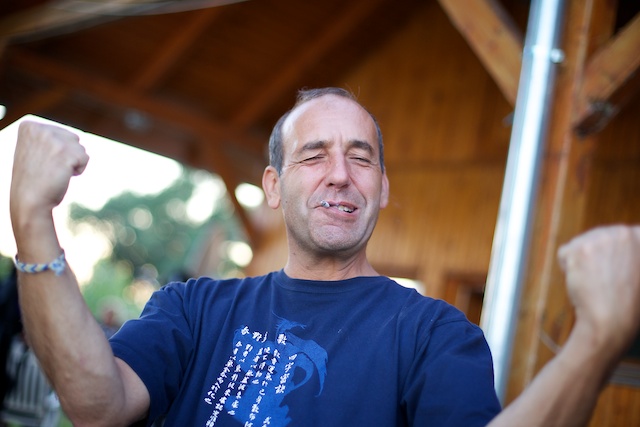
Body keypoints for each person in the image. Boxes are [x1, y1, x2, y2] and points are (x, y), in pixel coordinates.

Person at [8, 87, 640, 427]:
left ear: (382, 188)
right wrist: (32, 222)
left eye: (361, 158)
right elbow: (96, 405)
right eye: (313, 156)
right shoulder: (194, 308)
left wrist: (596, 342)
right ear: (274, 186)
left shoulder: (433, 333)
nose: (340, 174)